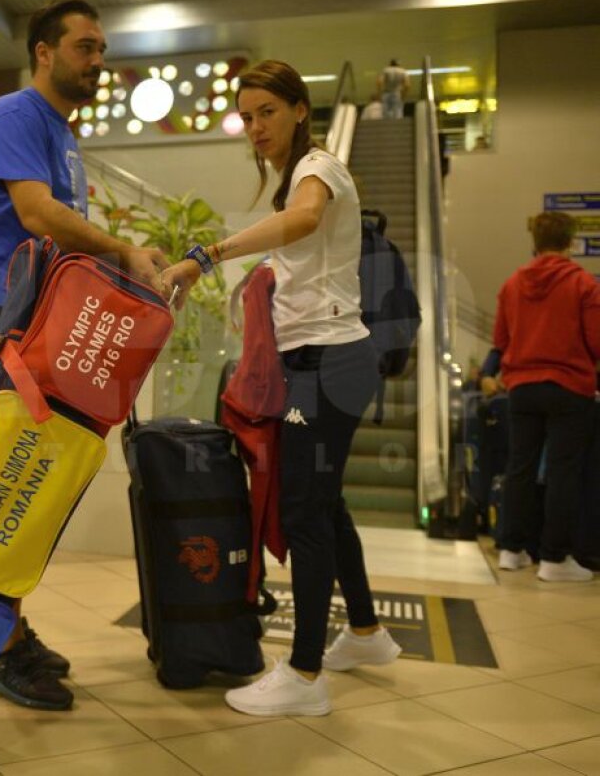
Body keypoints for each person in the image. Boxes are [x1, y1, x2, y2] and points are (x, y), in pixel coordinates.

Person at [163, 60, 401, 717]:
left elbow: (303, 220)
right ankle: (364, 632)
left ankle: (304, 673)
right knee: (324, 504)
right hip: (324, 359)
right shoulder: (295, 176)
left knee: (302, 511)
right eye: (247, 115)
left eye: (268, 110)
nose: (255, 126)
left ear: (301, 109)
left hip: (327, 361)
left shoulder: (316, 168)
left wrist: (209, 253)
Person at [0, 0, 168, 712]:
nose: (98, 60)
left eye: (102, 48)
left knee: (29, 480)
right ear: (44, 52)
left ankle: (6, 629)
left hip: (35, 315)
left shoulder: (62, 132)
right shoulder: (18, 116)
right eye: (84, 47)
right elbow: (38, 215)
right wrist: (122, 249)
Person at [492, 212, 600, 581]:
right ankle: (554, 558)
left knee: (518, 468)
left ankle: (511, 549)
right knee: (562, 472)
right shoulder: (584, 284)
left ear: (535, 242)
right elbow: (596, 340)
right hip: (570, 387)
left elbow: (501, 340)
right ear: (570, 242)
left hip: (521, 387)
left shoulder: (512, 285)